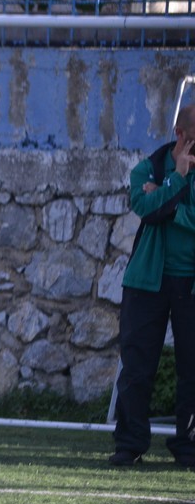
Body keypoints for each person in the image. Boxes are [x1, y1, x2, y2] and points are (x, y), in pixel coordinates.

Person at [111, 103, 195, 469]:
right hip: (147, 281)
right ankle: (129, 445)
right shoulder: (148, 168)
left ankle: (189, 447)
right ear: (180, 134)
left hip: (190, 284)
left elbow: (160, 208)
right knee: (137, 366)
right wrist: (176, 179)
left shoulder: (156, 178)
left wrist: (168, 205)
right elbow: (144, 207)